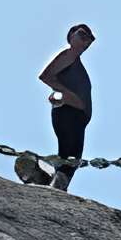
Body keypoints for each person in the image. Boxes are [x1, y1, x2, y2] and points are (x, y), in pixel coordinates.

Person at [36, 24, 94, 190]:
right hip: (68, 112)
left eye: (90, 38)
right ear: (71, 36)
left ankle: (53, 181)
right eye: (82, 35)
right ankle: (55, 185)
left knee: (72, 156)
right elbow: (46, 76)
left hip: (77, 116)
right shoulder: (69, 55)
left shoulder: (75, 60)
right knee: (70, 156)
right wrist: (68, 95)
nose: (86, 41)